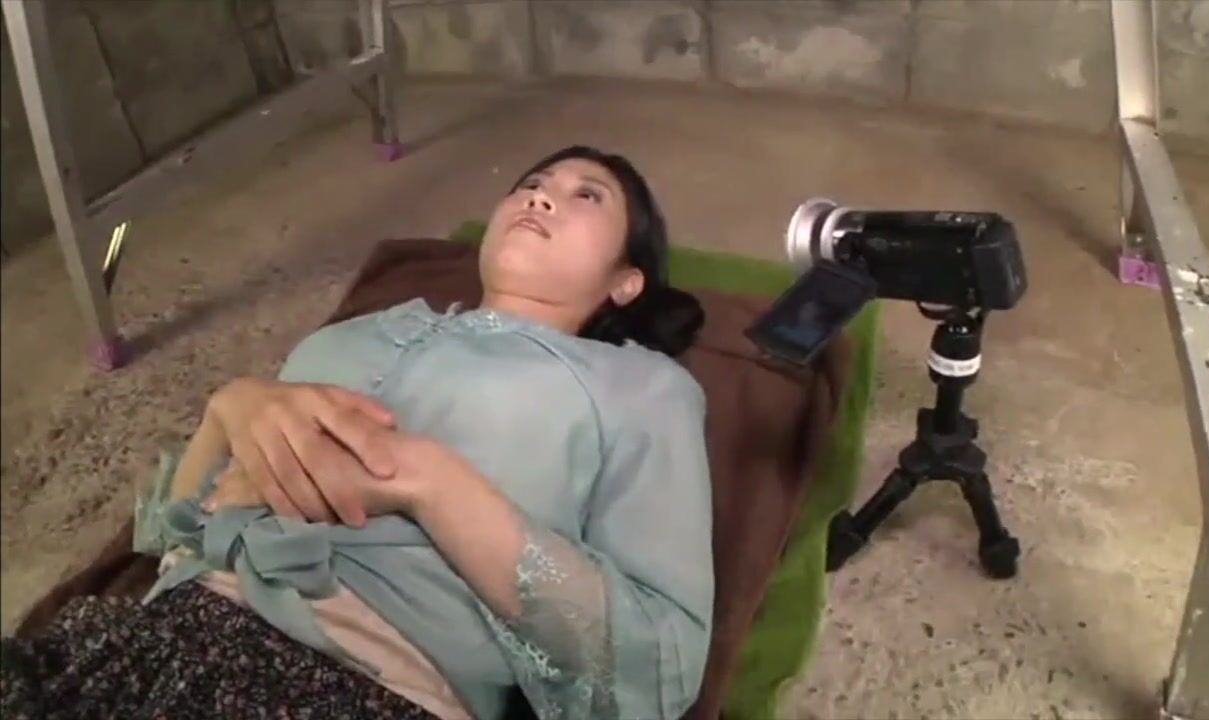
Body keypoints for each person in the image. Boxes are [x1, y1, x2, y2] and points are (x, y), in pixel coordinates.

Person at [0, 146, 715, 720]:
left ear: (625, 281)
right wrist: (229, 408)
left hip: (359, 684)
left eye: (587, 195)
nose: (540, 197)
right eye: (531, 183)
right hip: (135, 643)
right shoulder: (355, 336)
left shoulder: (638, 387)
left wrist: (424, 479)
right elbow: (170, 538)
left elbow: (654, 672)